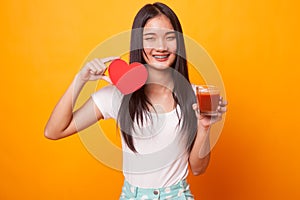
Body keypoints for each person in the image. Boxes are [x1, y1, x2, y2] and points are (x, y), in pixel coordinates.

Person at [44, 2, 227, 199]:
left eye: (169, 38)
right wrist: (80, 79)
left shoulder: (194, 96)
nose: (161, 47)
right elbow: (54, 131)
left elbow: (198, 169)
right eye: (150, 38)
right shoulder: (117, 96)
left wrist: (204, 126)